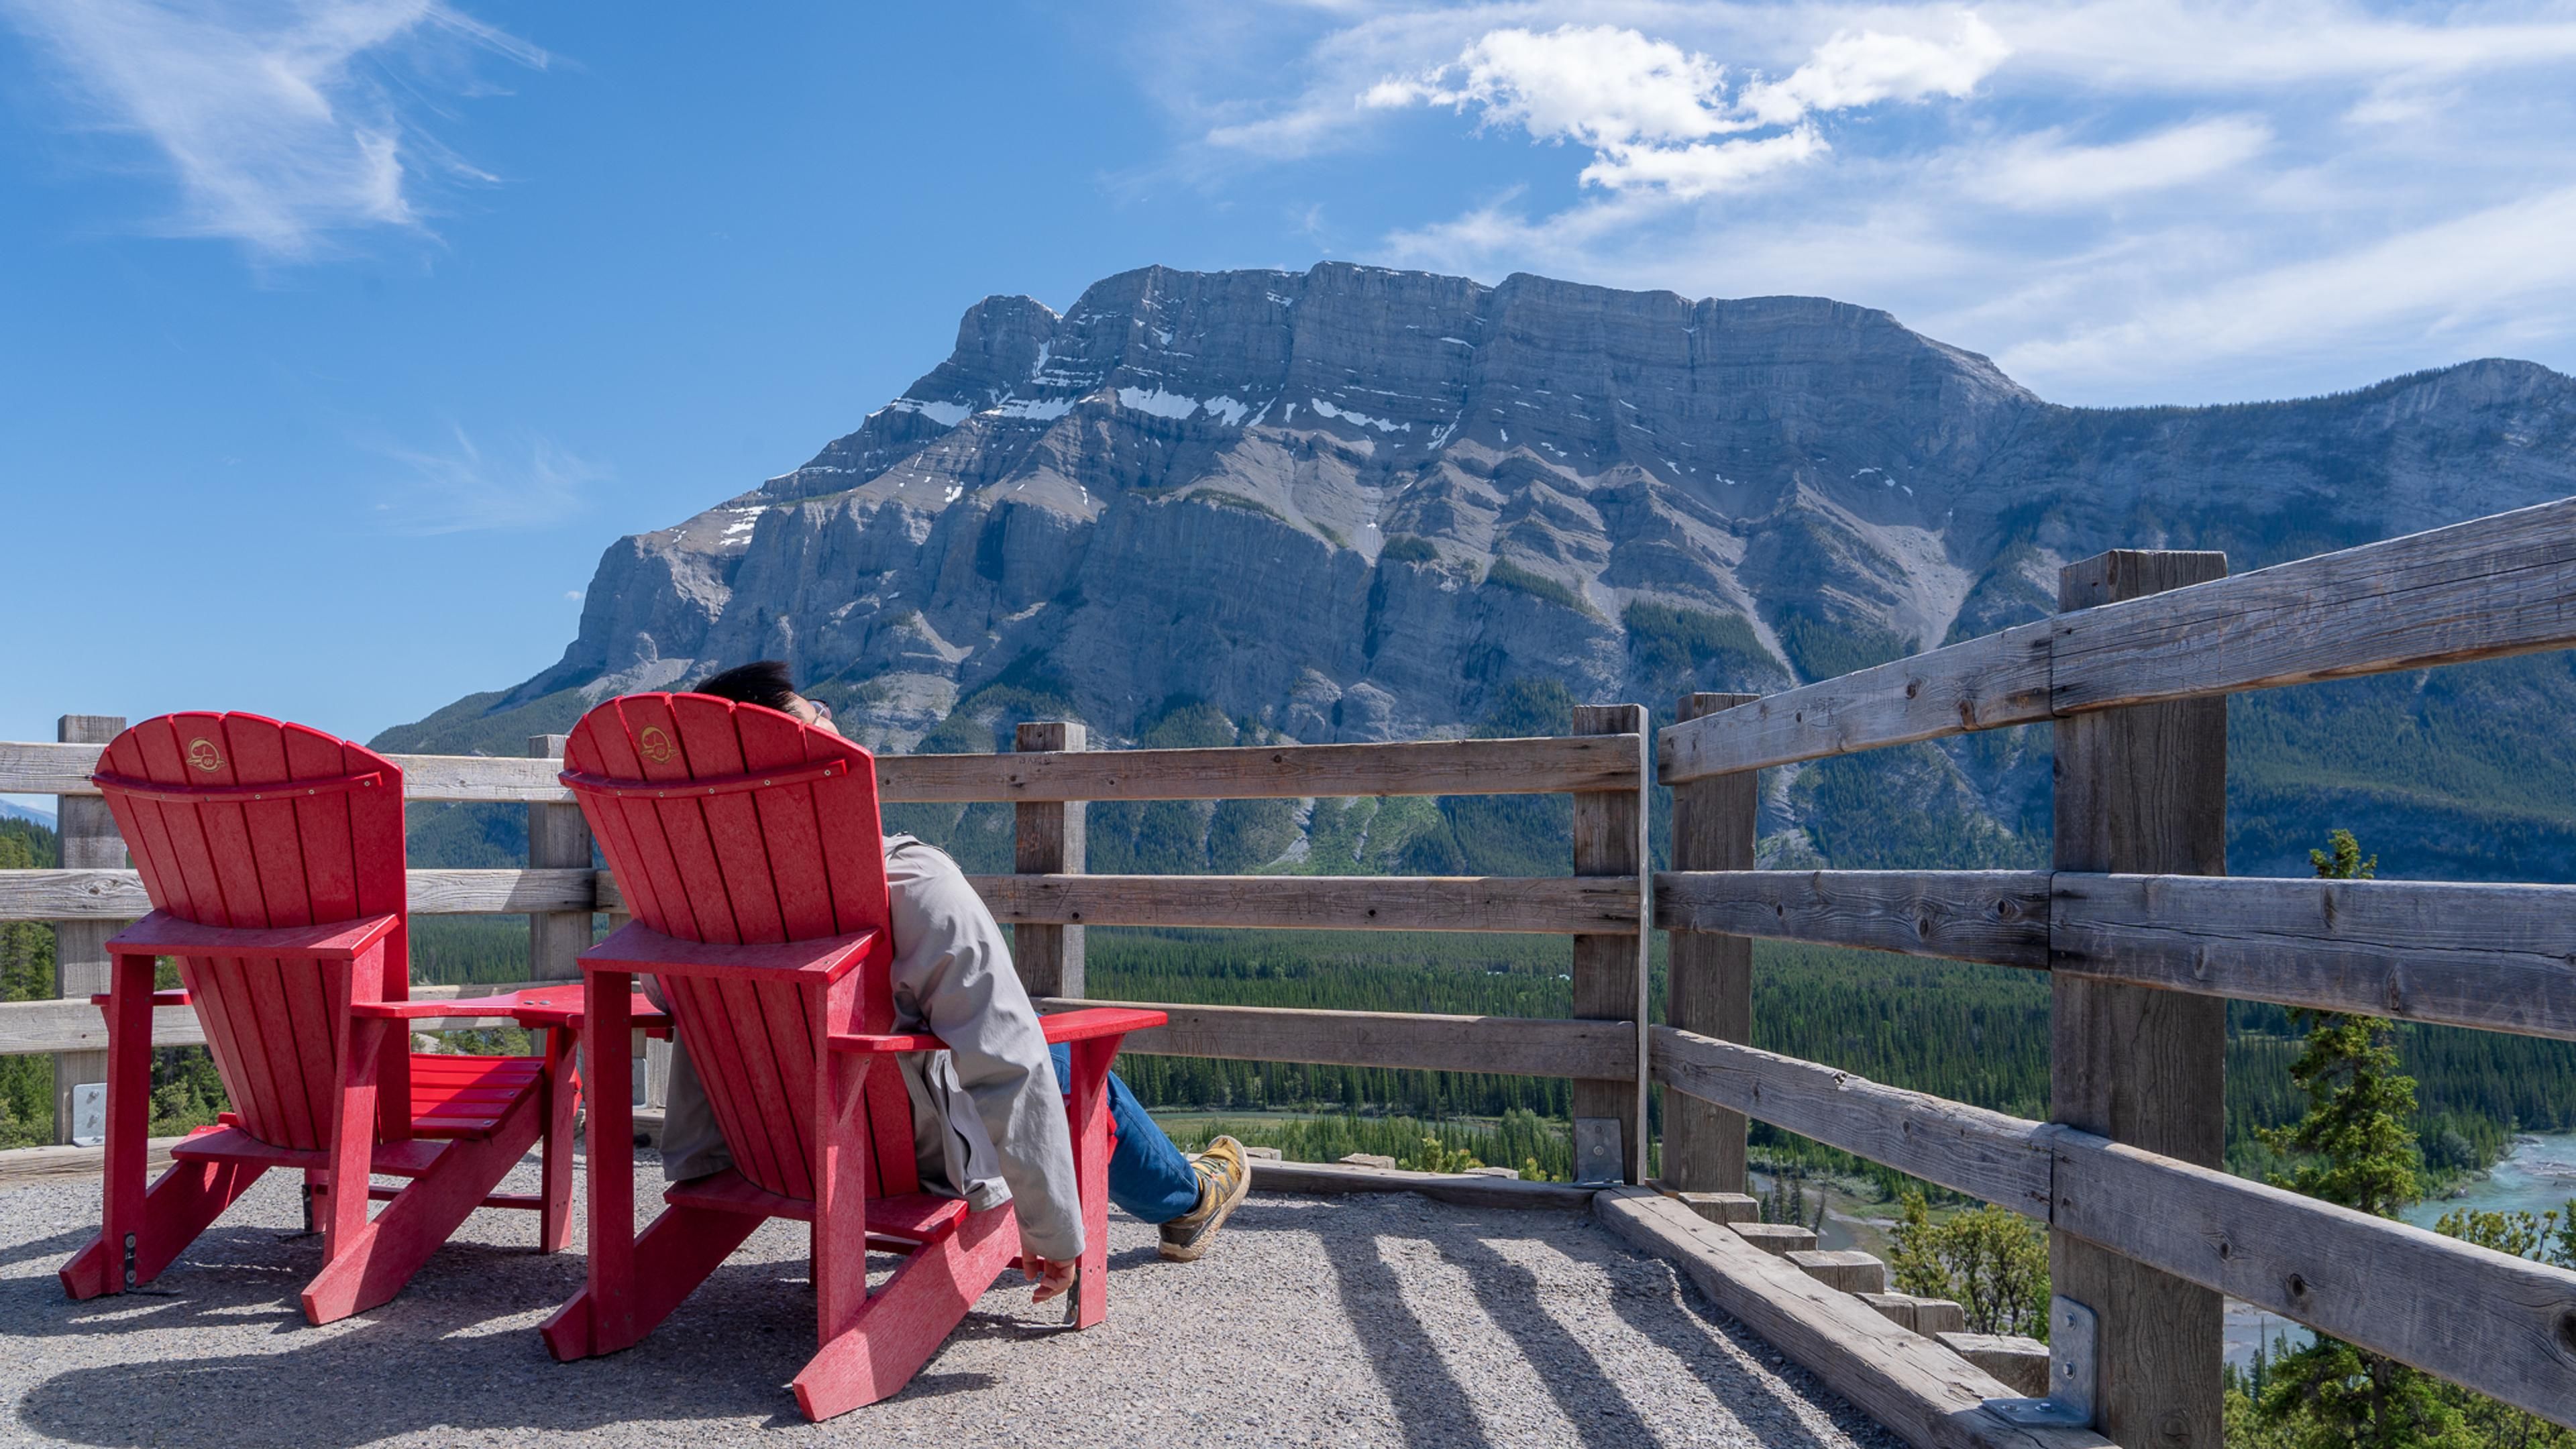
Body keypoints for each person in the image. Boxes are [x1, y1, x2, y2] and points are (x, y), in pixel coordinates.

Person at [651, 660, 1251, 1303]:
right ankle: (1190, 1198)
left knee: (1024, 1045)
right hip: (912, 1164)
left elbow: (664, 995)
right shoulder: (913, 884)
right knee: (1060, 1053)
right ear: (803, 749)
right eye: (816, 711)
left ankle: (1187, 1191)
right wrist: (1052, 1231)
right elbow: (1003, 1060)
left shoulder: (688, 894)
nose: (831, 714)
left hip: (764, 1146)